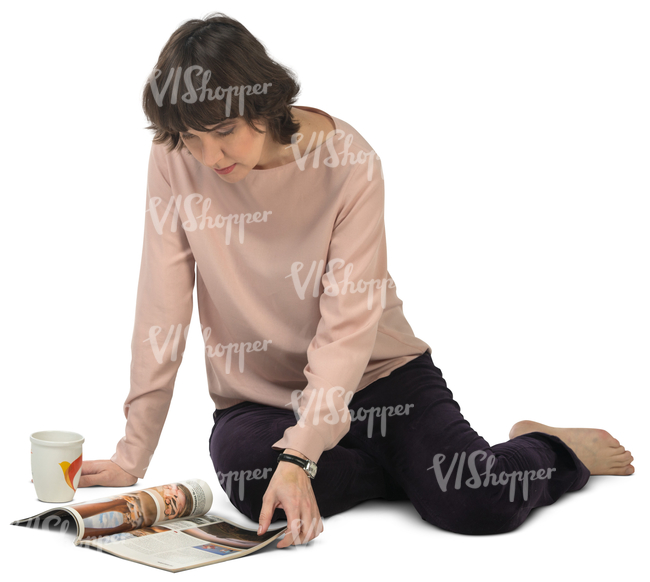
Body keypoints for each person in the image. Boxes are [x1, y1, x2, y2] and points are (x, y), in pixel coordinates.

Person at [79, 13, 634, 547]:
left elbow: (348, 326)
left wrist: (299, 459)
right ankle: (406, 471)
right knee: (255, 485)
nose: (208, 155)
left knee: (476, 502)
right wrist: (134, 452)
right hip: (262, 399)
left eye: (223, 132)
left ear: (262, 101)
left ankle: (548, 448)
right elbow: (162, 303)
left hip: (380, 378)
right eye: (191, 139)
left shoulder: (350, 162)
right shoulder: (175, 154)